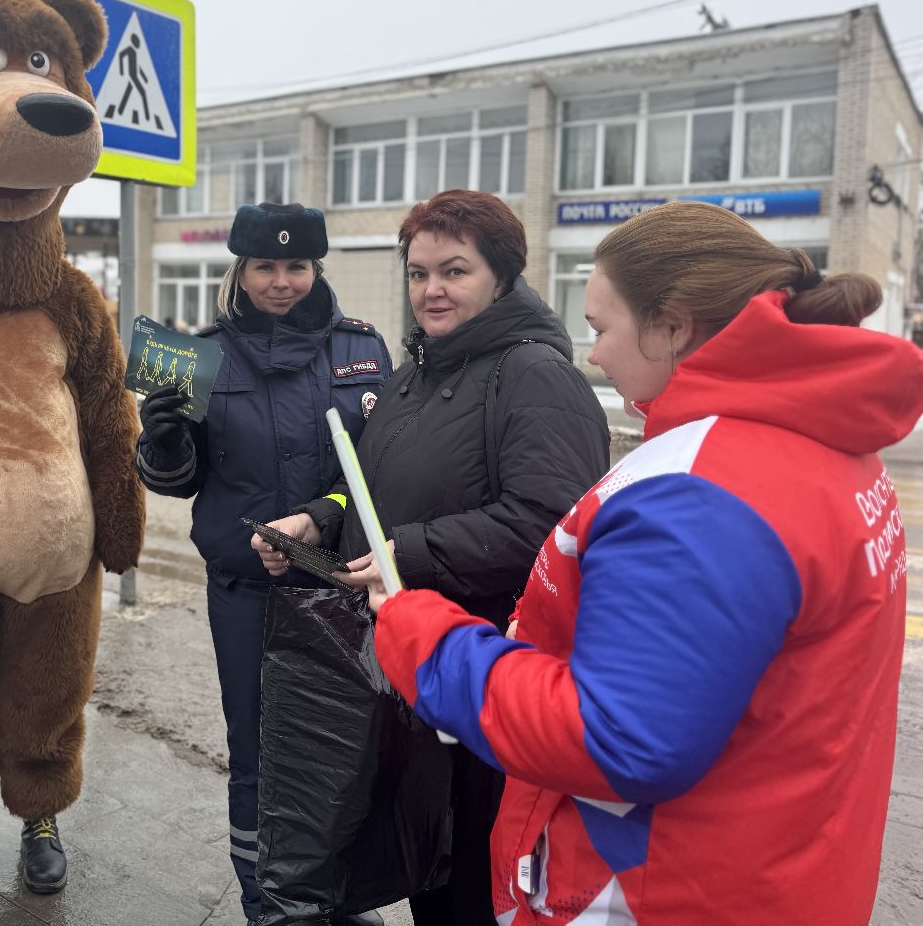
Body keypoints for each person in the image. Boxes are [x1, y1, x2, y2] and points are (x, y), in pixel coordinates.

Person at [368, 201, 923, 923]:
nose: (592, 353)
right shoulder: (825, 446)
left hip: (661, 884)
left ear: (672, 325)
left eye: (602, 328)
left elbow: (613, 737)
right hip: (782, 860)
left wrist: (424, 636)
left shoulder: (697, 496)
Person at [255, 189, 610, 925]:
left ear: (502, 277)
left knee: (468, 878)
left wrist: (405, 553)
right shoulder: (421, 371)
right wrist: (322, 520)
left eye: (454, 271)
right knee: (425, 861)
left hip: (485, 679)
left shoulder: (534, 375)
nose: (432, 290)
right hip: (418, 667)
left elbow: (551, 524)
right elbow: (377, 484)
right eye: (418, 274)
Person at [137, 201, 393, 926]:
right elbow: (179, 479)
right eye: (265, 267)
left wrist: (324, 513)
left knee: (346, 749)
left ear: (316, 269)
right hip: (245, 594)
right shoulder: (199, 356)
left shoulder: (364, 351)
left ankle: (335, 891)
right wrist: (160, 443)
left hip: (342, 592)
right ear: (240, 271)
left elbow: (384, 468)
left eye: (296, 266)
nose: (281, 282)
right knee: (257, 753)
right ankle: (267, 902)